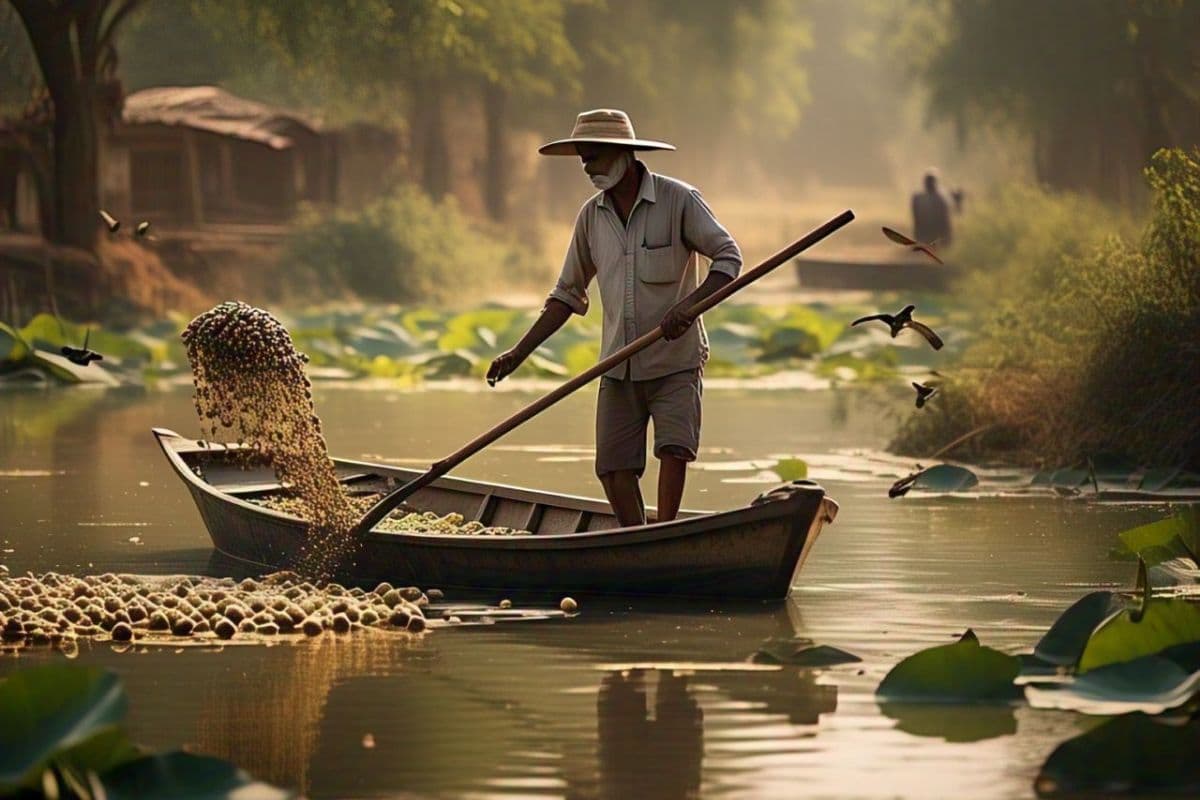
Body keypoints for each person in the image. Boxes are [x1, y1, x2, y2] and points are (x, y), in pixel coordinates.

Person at [486, 109, 742, 527]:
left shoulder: (679, 201)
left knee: (674, 450)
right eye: (584, 158)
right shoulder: (592, 217)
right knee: (612, 467)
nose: (588, 167)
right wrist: (519, 352)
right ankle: (636, 540)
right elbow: (566, 294)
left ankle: (663, 534)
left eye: (596, 156)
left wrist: (690, 306)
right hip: (618, 365)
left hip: (674, 362)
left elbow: (729, 258)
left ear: (623, 154)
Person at [911, 169, 952, 247]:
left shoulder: (941, 198)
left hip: (936, 232)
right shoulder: (918, 198)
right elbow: (916, 219)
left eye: (930, 182)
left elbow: (945, 220)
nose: (929, 184)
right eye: (928, 182)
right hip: (926, 232)